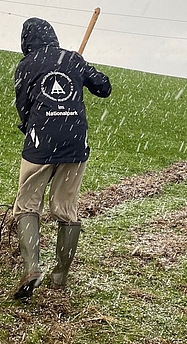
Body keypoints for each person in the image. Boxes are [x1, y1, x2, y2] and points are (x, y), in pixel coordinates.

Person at [12, 17, 112, 299]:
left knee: (28, 204)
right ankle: (60, 275)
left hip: (40, 141)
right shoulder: (73, 59)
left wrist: (29, 126)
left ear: (26, 41)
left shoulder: (26, 65)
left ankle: (32, 268)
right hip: (74, 141)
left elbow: (23, 105)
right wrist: (80, 68)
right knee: (66, 207)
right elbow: (104, 87)